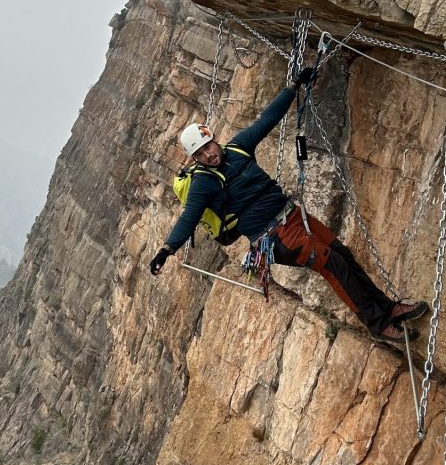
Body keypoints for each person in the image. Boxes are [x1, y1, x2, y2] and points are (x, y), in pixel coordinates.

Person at [149, 69, 429, 345]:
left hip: (294, 216)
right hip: (273, 237)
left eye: (208, 146)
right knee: (331, 263)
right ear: (195, 159)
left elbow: (268, 118)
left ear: (214, 139)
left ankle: (387, 308)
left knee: (343, 254)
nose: (208, 155)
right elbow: (189, 218)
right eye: (200, 154)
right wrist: (166, 250)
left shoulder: (237, 148)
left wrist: (294, 85)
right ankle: (378, 324)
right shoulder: (203, 183)